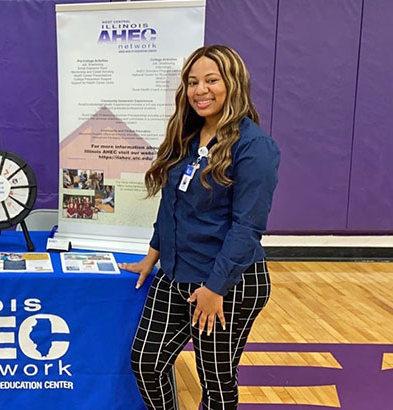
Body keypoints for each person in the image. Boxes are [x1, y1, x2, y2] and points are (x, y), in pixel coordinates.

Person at [119, 45, 280, 410]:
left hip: (226, 283)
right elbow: (170, 205)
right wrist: (152, 256)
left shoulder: (254, 147)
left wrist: (214, 288)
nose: (200, 90)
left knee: (215, 380)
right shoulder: (188, 137)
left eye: (211, 80)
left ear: (233, 84)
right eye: (193, 82)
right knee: (146, 363)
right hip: (175, 272)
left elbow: (247, 227)